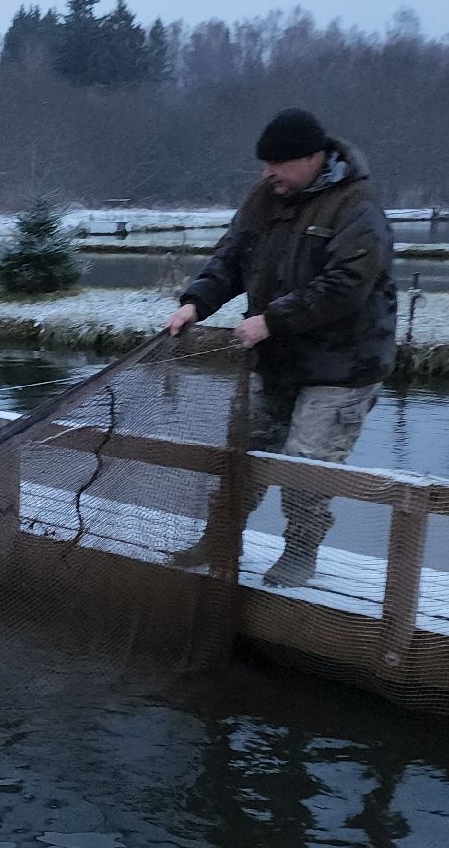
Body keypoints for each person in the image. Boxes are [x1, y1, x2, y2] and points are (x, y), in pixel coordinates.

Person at [166, 108, 396, 587]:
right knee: (240, 455)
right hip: (275, 358)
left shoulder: (357, 207)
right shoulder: (264, 199)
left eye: (278, 164)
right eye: (264, 164)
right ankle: (219, 538)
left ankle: (300, 552)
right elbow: (230, 258)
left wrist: (272, 320)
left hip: (342, 366)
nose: (267, 174)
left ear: (314, 158)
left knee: (307, 466)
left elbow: (346, 286)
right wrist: (194, 304)